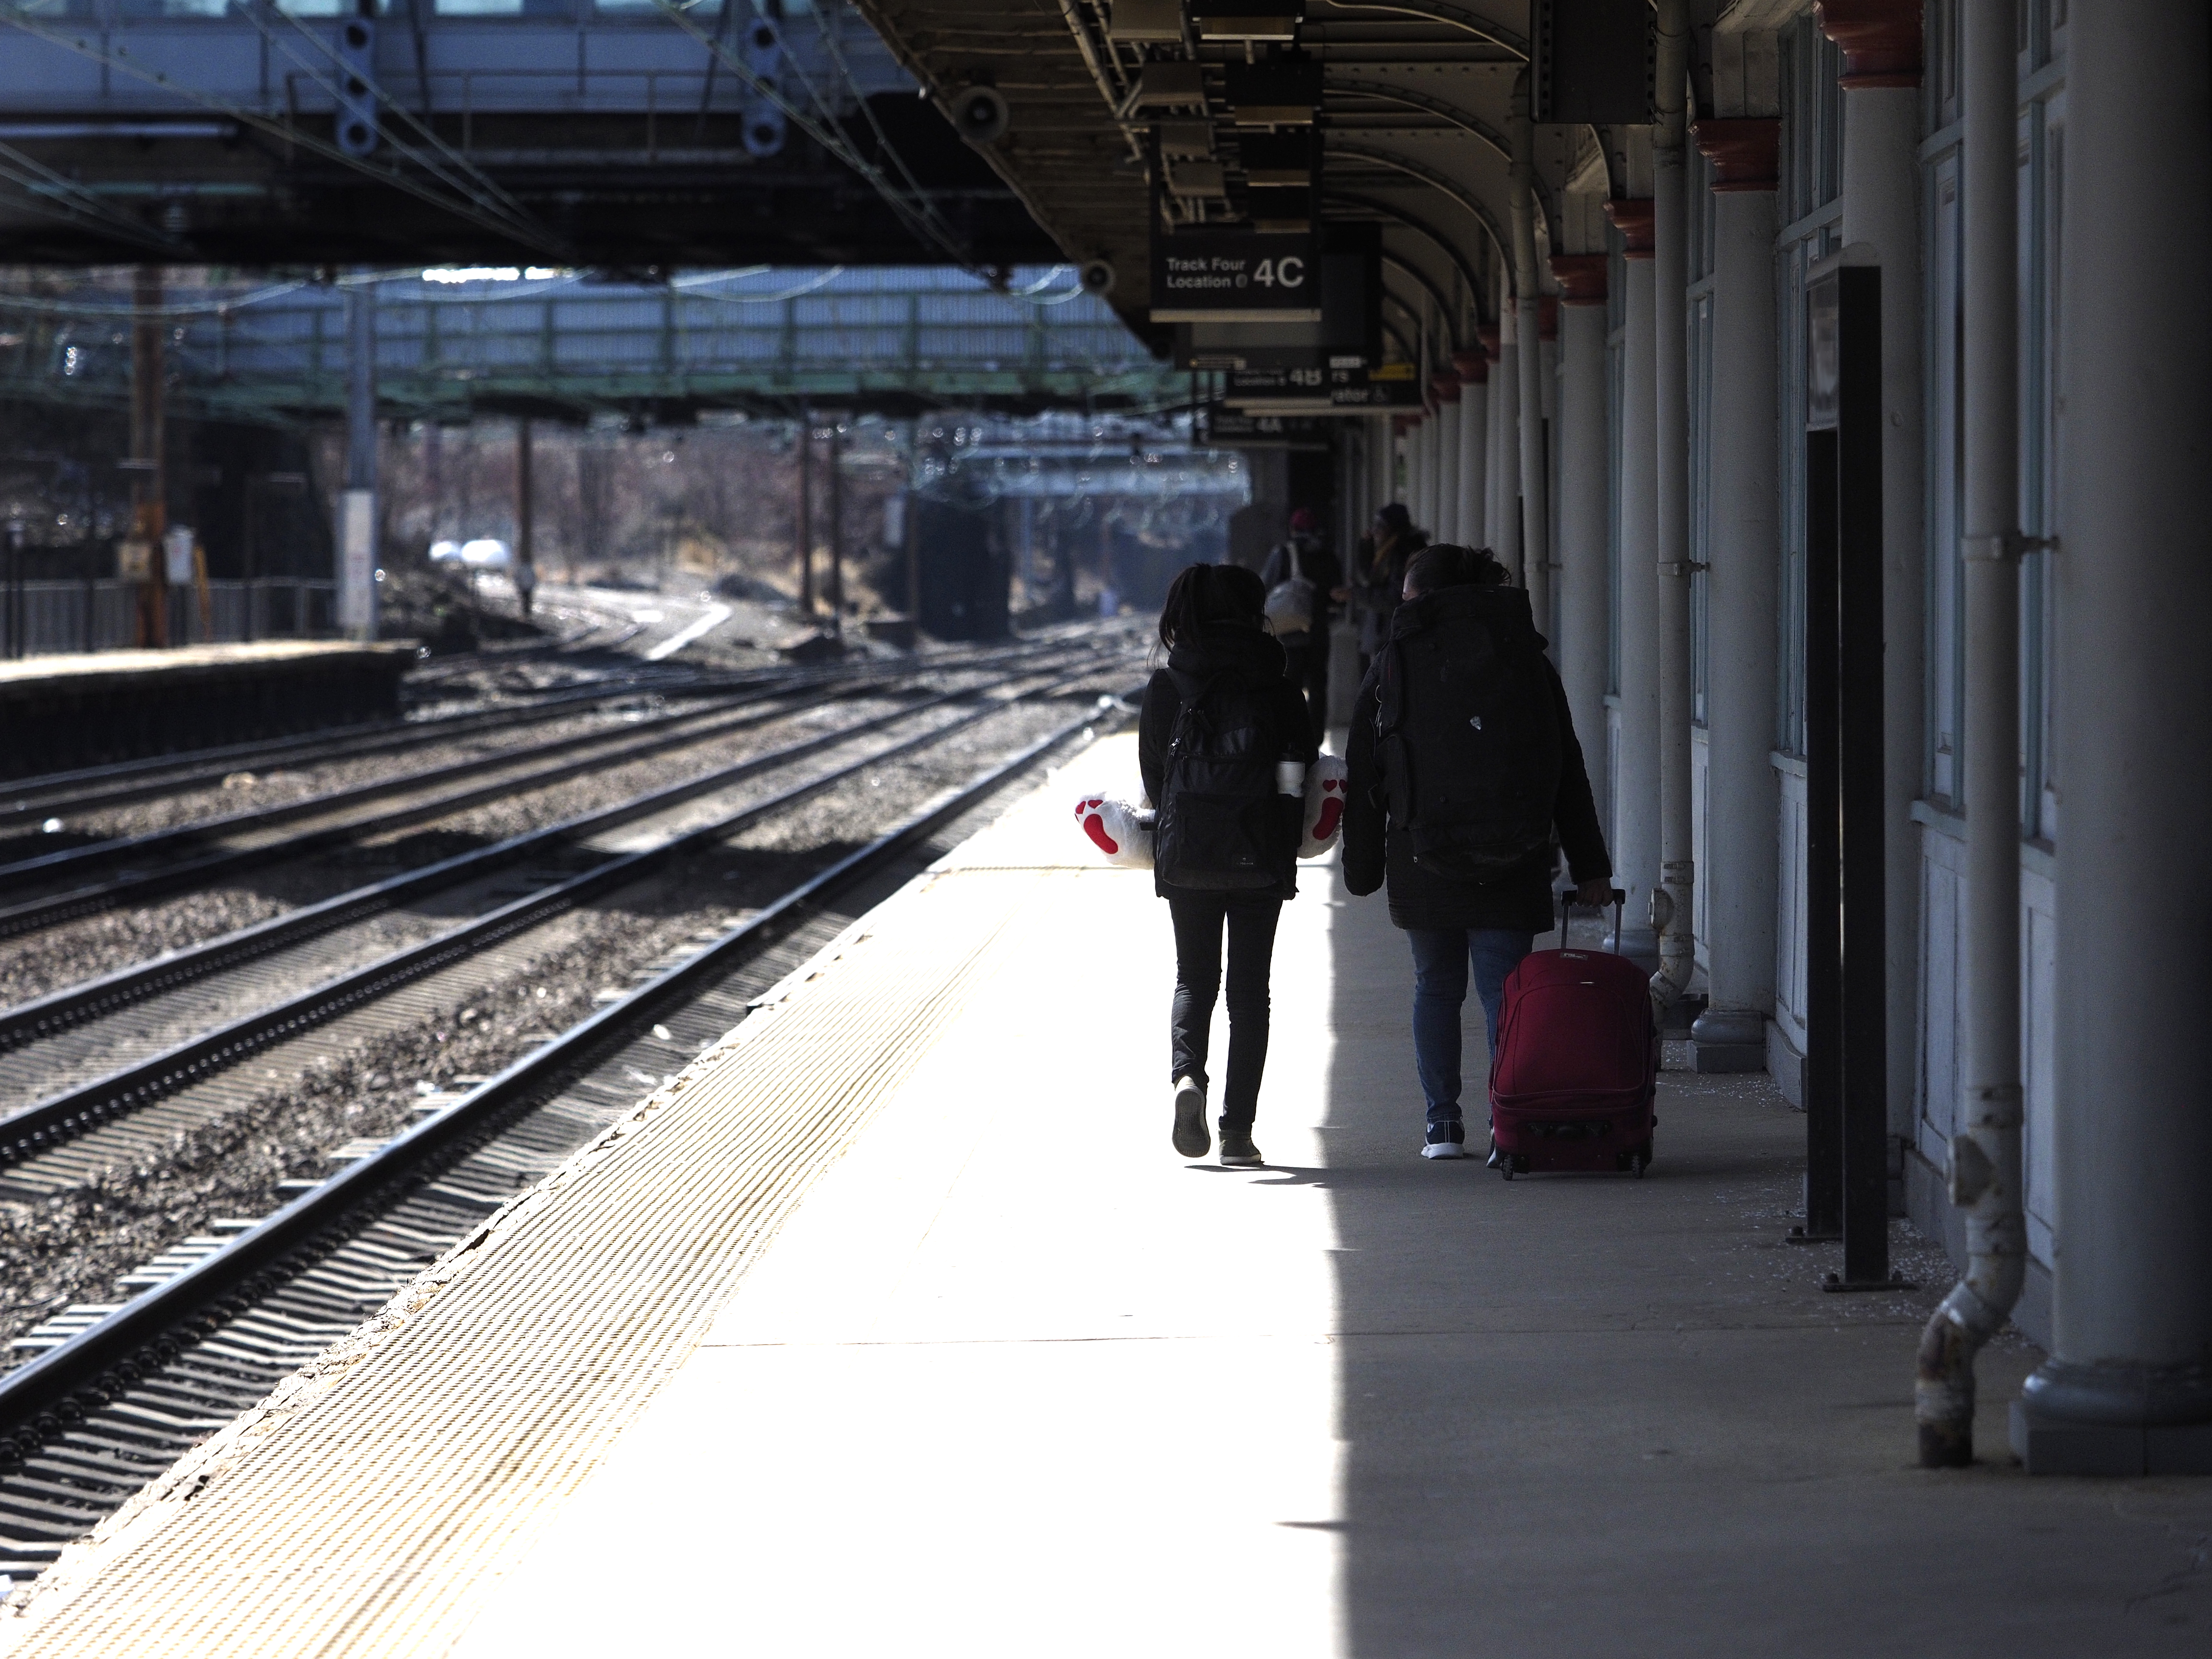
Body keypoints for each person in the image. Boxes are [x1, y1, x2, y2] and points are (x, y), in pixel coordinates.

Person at [1342, 543, 1614, 1162]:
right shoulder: (1526, 659)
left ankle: (1442, 1126)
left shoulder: (1393, 663)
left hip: (1421, 851)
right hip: (1513, 852)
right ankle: (1508, 1122)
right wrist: (1590, 863)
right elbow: (1564, 762)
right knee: (1504, 992)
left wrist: (1361, 867)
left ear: (1427, 600)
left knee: (1436, 988)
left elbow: (1365, 768)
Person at [1139, 563, 1320, 1168]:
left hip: (1187, 851)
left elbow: (1155, 780)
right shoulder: (1276, 680)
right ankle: (1238, 1135)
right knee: (1250, 994)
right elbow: (1301, 764)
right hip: (1259, 850)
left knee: (1194, 978)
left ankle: (1187, 1078)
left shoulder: (1170, 683)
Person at [1258, 506, 1348, 745]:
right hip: (1319, 632)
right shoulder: (1329, 555)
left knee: (1289, 688)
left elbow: (1266, 587)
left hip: (1289, 635)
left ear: (1292, 529)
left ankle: (1290, 738)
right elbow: (1336, 597)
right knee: (1319, 687)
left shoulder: (1284, 554)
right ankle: (1315, 739)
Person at [1350, 502, 1426, 674]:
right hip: (1383, 635)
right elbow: (1370, 576)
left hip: (1390, 637)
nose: (1374, 531)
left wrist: (1356, 593)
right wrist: (1365, 547)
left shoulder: (1401, 554)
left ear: (1394, 529)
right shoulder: (1387, 552)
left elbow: (1394, 597)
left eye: (1381, 526)